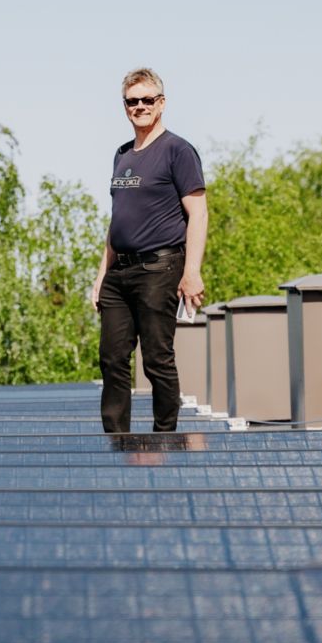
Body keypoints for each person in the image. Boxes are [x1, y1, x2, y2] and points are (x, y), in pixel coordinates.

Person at [91, 68, 207, 434]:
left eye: (147, 99)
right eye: (132, 101)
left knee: (156, 359)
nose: (139, 106)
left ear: (161, 103)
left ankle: (164, 437)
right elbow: (117, 221)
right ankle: (116, 442)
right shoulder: (122, 155)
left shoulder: (177, 150)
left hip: (159, 267)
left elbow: (199, 213)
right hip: (118, 273)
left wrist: (192, 272)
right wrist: (100, 277)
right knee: (111, 358)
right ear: (124, 106)